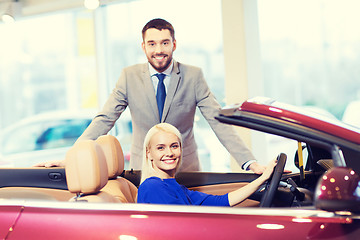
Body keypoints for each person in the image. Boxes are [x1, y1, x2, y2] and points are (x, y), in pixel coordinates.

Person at [36, 18, 265, 173]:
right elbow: (104, 119)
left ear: (174, 44)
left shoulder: (193, 76)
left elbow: (218, 122)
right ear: (143, 46)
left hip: (185, 170)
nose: (159, 50)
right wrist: (74, 156)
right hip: (143, 170)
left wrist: (251, 163)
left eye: (165, 43)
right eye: (152, 44)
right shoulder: (128, 76)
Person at [137, 123, 277, 206]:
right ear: (149, 153)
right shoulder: (153, 187)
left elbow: (222, 201)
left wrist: (263, 178)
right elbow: (181, 228)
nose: (169, 153)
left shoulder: (175, 187)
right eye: (160, 148)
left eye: (174, 146)